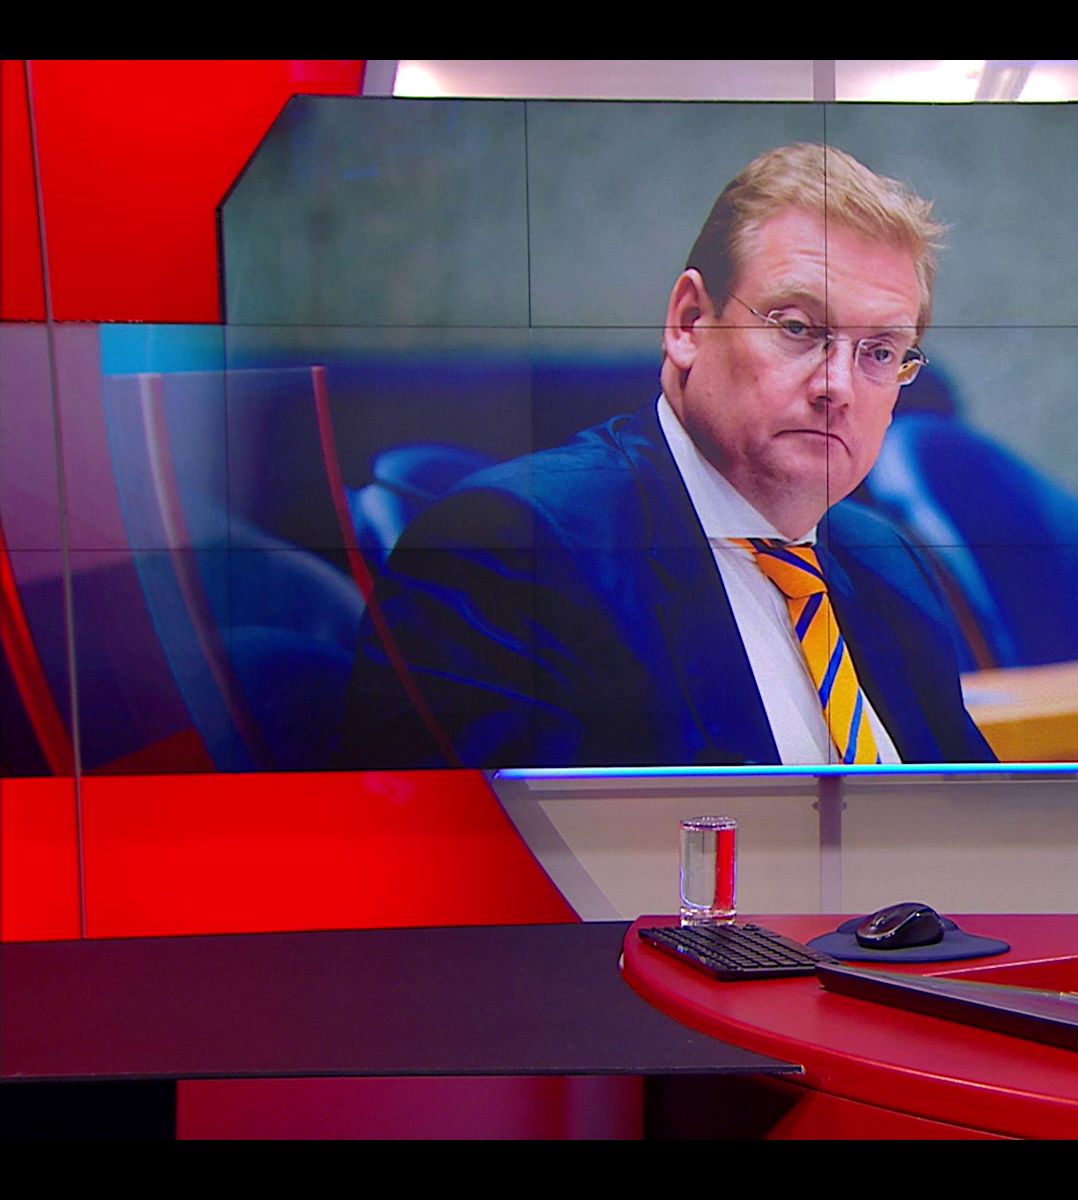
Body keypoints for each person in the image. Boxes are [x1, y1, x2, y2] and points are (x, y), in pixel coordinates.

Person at [338, 144, 994, 768]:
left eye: (879, 351)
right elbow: (497, 844)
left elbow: (973, 824)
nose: (838, 386)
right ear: (688, 322)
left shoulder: (885, 563)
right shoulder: (510, 552)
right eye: (797, 328)